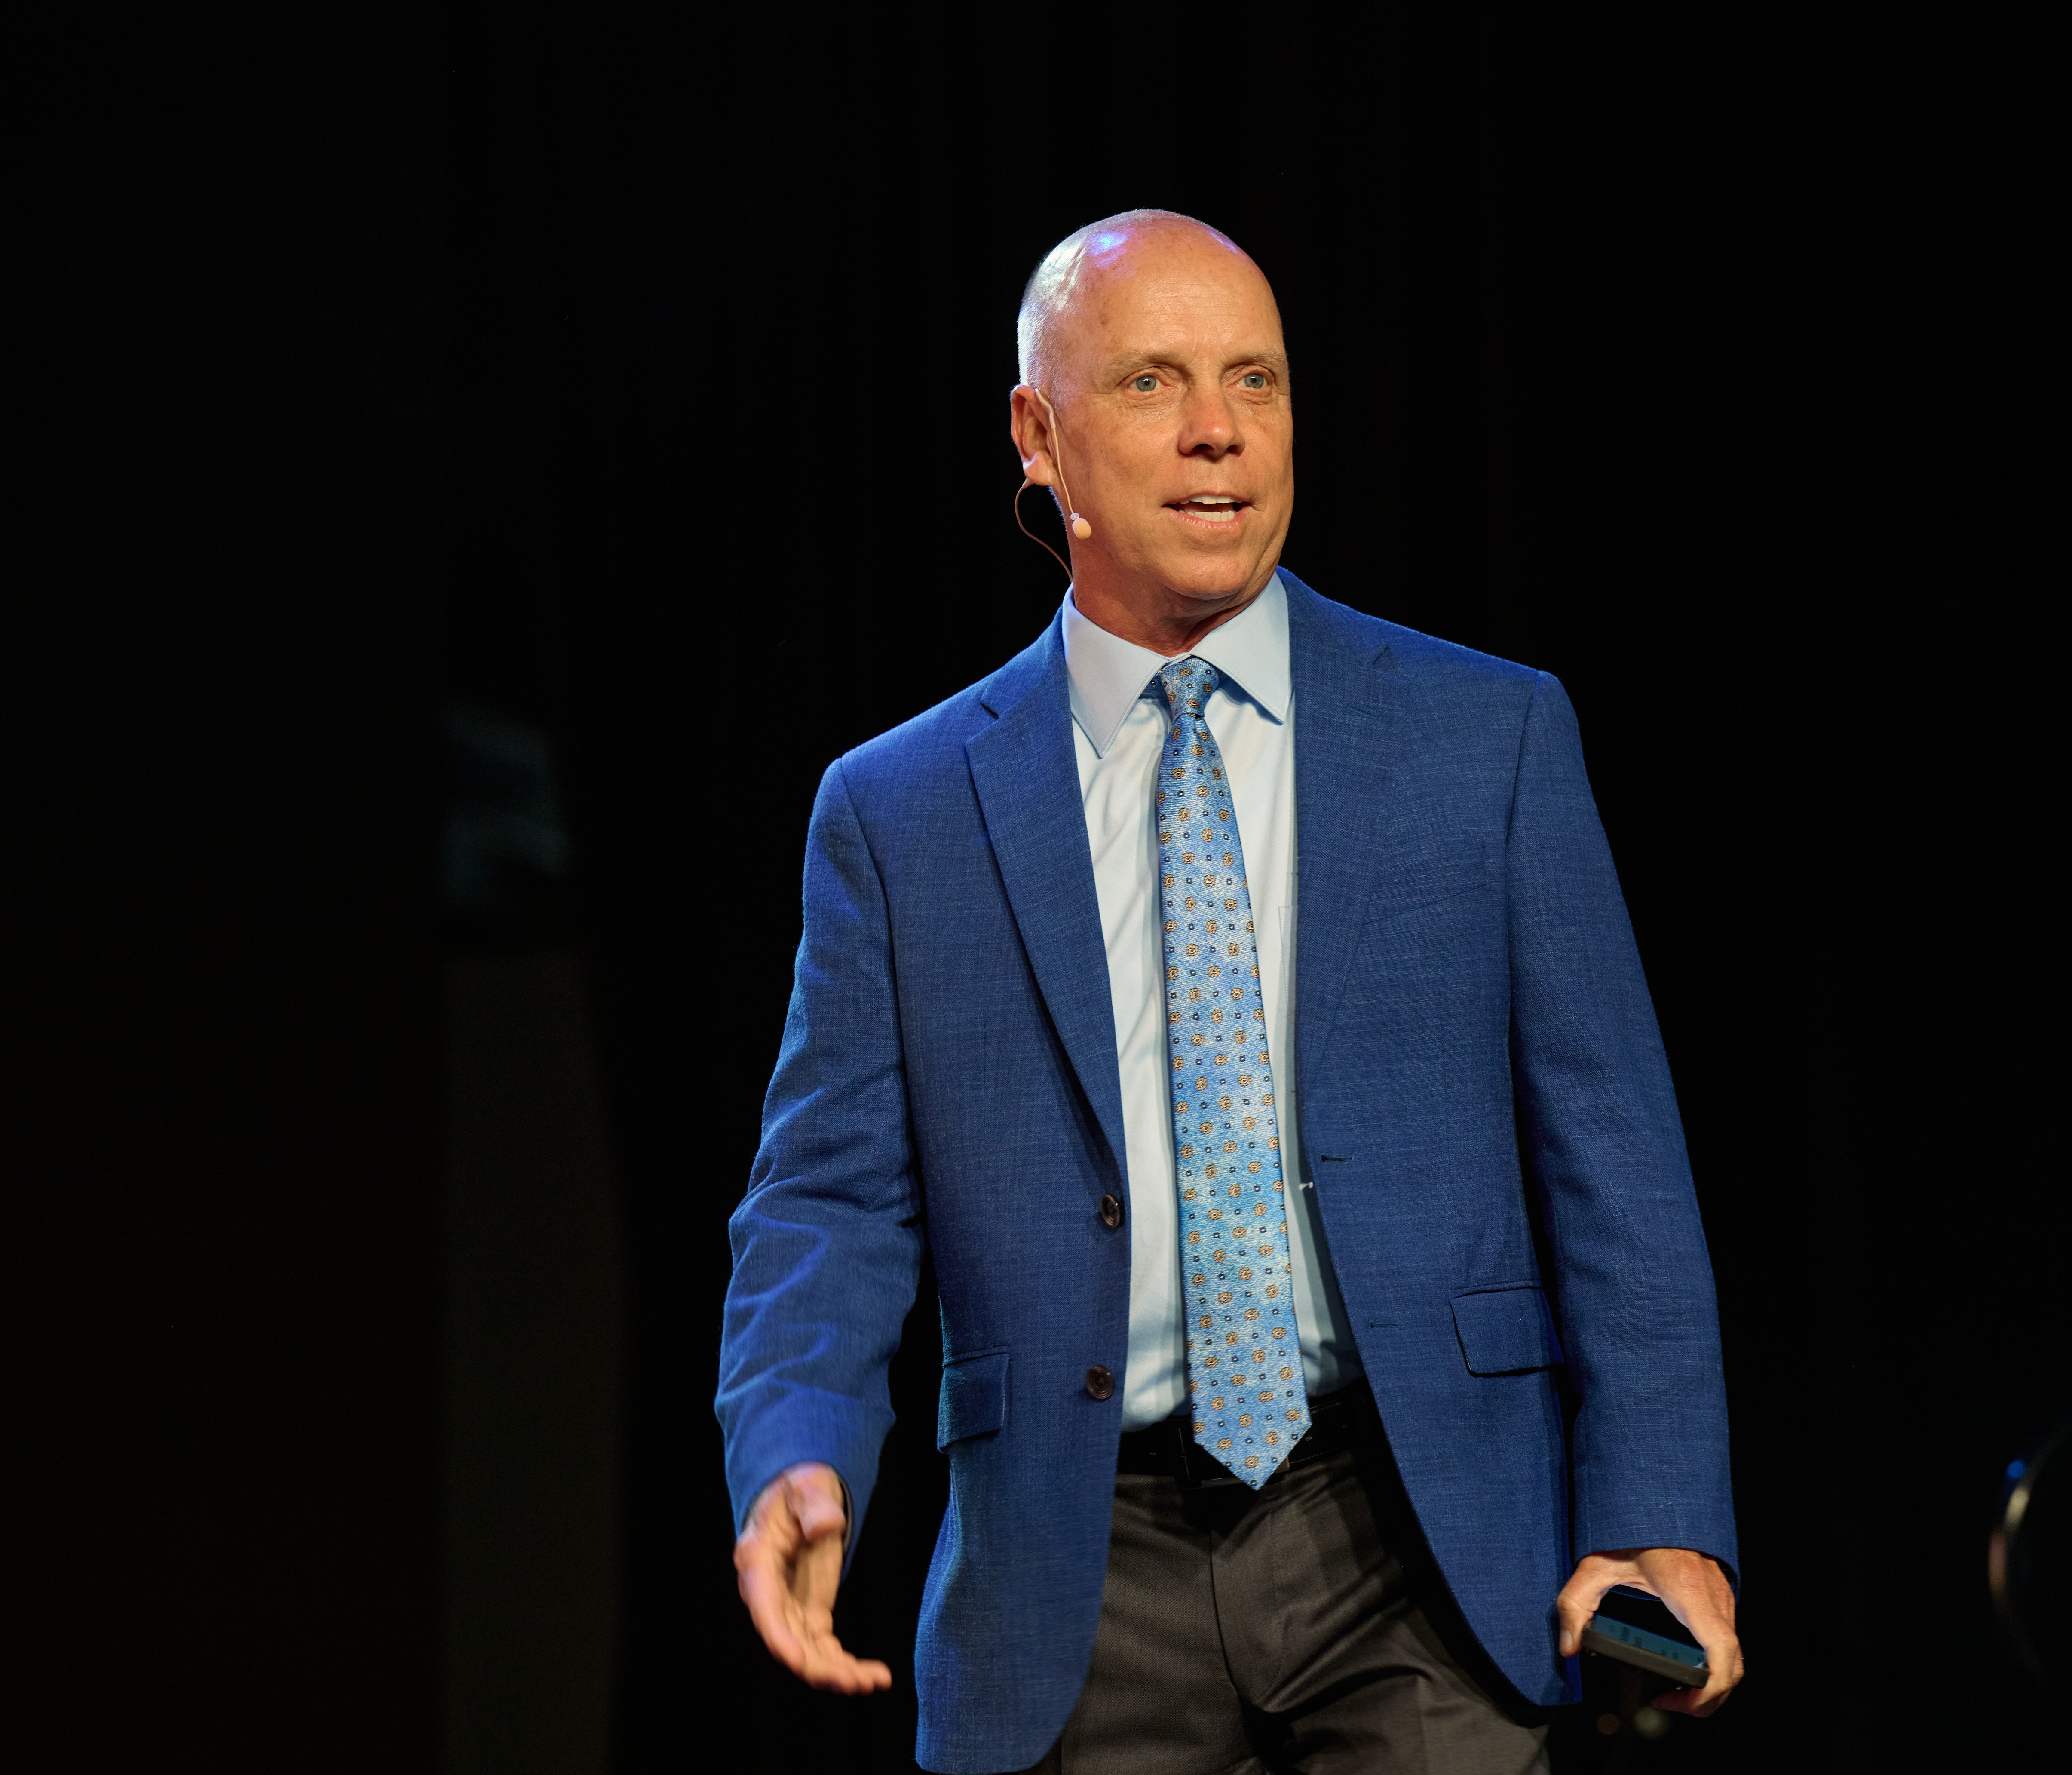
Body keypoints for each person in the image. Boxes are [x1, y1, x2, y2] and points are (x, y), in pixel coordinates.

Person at [715, 209, 1740, 1774]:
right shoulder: (900, 810)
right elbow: (830, 1201)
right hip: (1080, 1571)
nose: (1217, 431)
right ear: (1037, 436)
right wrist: (796, 1449)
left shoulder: (1488, 739)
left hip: (1416, 1539)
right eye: (1151, 383)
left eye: (1254, 381)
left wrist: (1664, 1518)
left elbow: (1616, 1168)